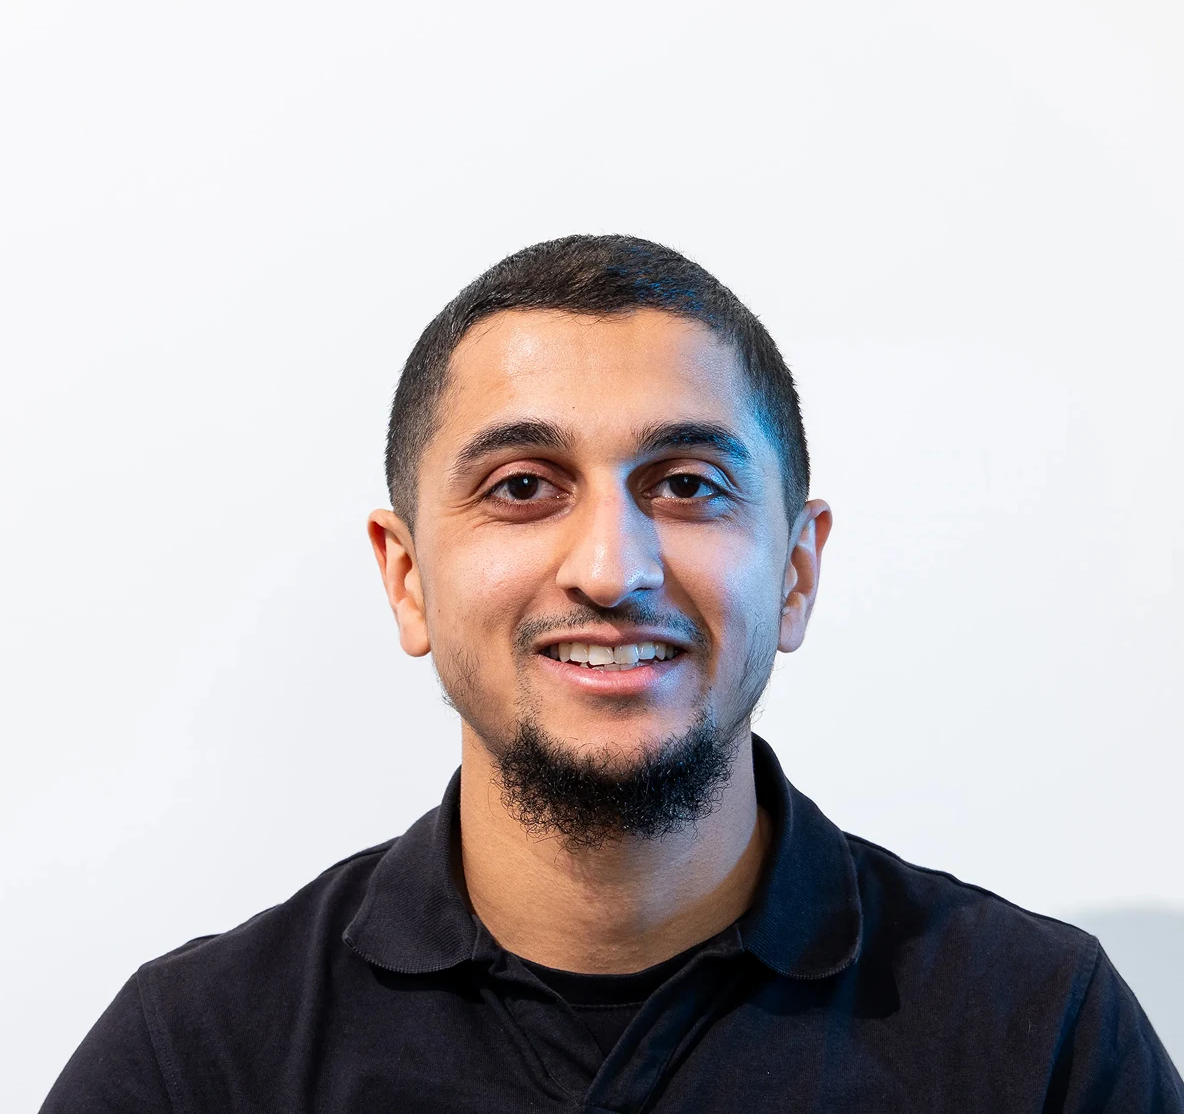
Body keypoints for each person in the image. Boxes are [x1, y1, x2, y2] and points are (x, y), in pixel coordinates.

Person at [42, 236, 1182, 1112]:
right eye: (522, 487)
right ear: (407, 578)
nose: (609, 567)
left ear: (794, 572)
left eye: (685, 485)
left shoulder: (1041, 1036)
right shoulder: (197, 1059)